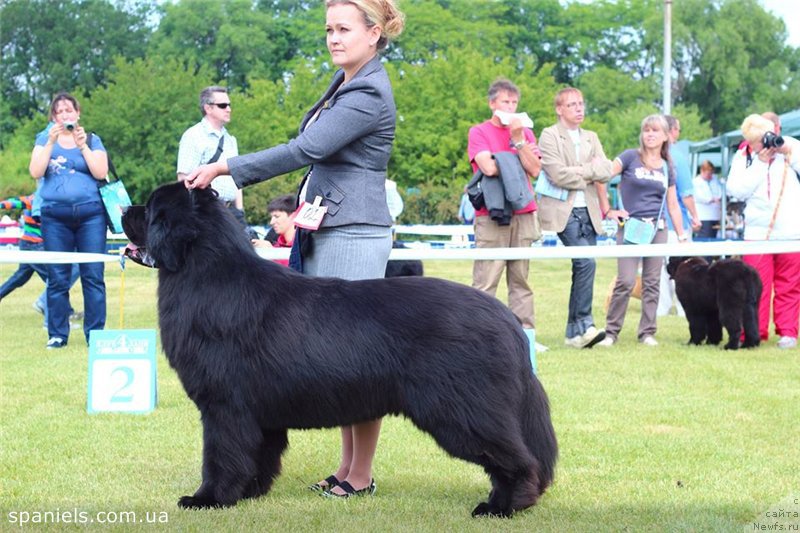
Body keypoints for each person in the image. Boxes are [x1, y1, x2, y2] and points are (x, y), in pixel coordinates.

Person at [184, 0, 405, 497]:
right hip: (328, 224)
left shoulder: (369, 90)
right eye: (328, 29)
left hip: (354, 229)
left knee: (360, 356)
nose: (333, 38)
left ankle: (361, 475)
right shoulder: (345, 81)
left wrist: (224, 168)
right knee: (339, 355)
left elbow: (305, 149)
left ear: (374, 33)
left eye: (344, 29)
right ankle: (347, 467)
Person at [467, 78, 546, 351]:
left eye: (514, 102)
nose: (511, 107)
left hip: (524, 211)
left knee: (521, 279)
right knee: (486, 279)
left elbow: (535, 169)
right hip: (492, 213)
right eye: (505, 102)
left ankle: (527, 339)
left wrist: (518, 141)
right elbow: (487, 168)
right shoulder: (479, 132)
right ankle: (477, 338)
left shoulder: (525, 134)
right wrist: (516, 160)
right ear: (492, 104)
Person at [596, 114, 687, 347]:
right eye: (646, 130)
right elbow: (601, 177)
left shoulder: (667, 166)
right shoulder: (629, 157)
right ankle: (611, 332)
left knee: (652, 282)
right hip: (630, 228)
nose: (650, 134)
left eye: (655, 130)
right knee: (626, 280)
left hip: (657, 229)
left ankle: (647, 332)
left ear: (666, 136)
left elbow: (673, 203)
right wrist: (608, 209)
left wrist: (682, 235)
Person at [29, 92, 109, 349]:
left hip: (91, 216)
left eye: (69, 110)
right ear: (54, 117)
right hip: (55, 217)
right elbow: (35, 172)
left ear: (77, 113)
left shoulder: (92, 139)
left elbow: (101, 172)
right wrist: (50, 143)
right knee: (58, 277)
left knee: (93, 275)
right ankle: (57, 334)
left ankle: (95, 334)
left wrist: (83, 146)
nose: (64, 115)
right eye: (59, 111)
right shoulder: (43, 139)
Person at [538, 87, 612, 349]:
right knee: (586, 262)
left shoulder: (591, 136)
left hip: (589, 210)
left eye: (581, 103)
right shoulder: (549, 135)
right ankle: (585, 325)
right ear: (559, 109)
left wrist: (579, 170)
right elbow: (556, 174)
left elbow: (607, 170)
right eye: (572, 104)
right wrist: (590, 172)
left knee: (584, 266)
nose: (579, 108)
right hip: (564, 210)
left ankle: (574, 333)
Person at [726, 114, 800, 349]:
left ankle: (788, 332)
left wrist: (788, 151)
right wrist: (759, 163)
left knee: (789, 285)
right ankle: (754, 332)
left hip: (791, 230)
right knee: (754, 285)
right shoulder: (743, 155)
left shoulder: (789, 145)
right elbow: (736, 190)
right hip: (757, 233)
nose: (765, 144)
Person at [177, 86, 244, 226]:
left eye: (229, 105)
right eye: (223, 105)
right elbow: (184, 179)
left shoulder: (230, 140)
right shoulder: (193, 136)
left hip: (230, 213)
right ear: (208, 108)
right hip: (205, 213)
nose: (228, 109)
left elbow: (237, 178)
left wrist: (240, 211)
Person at [657, 115, 701, 317]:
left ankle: (661, 308)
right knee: (683, 268)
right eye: (678, 129)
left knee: (659, 269)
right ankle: (685, 308)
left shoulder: (650, 156)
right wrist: (695, 216)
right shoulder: (678, 157)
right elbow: (686, 194)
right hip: (678, 224)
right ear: (672, 130)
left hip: (656, 223)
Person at [252, 194, 296, 266]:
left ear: (293, 216)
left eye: (277, 216)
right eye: (271, 217)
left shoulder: (303, 246)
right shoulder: (276, 245)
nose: (271, 222)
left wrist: (272, 252)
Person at [692, 159, 723, 240]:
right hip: (703, 217)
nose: (710, 176)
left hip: (715, 216)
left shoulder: (715, 181)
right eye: (708, 174)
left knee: (713, 238)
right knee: (705, 239)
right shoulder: (696, 182)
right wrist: (711, 199)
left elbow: (720, 192)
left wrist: (718, 198)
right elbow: (699, 196)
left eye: (711, 173)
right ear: (702, 171)